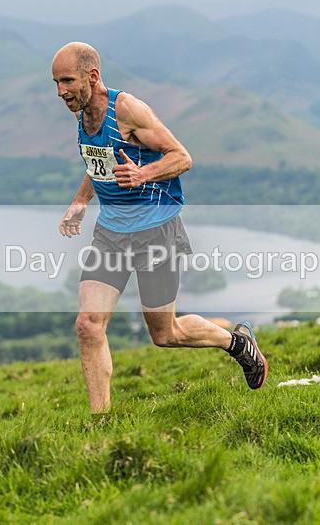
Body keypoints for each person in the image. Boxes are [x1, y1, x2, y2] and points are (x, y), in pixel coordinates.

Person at [52, 42, 267, 413]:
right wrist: (81, 201)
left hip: (156, 231)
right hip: (111, 234)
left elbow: (182, 157)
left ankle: (237, 343)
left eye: (67, 81)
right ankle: (100, 423)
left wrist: (143, 173)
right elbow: (99, 163)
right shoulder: (83, 111)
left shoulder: (128, 110)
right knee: (88, 324)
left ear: (93, 76)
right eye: (55, 83)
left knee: (165, 334)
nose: (61, 91)